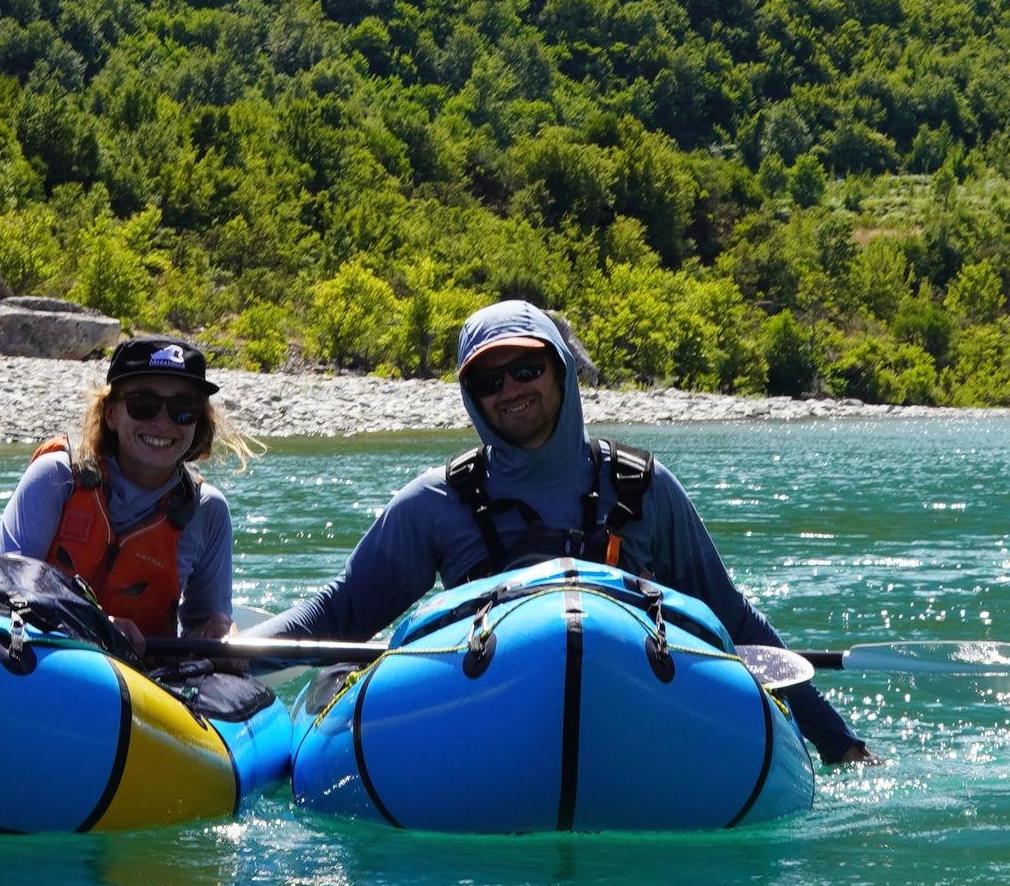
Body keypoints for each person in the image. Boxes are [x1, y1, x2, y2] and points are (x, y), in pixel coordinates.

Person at [256, 298, 875, 764]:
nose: (510, 390)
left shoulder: (644, 487)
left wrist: (835, 741)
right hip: (482, 722)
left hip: (638, 712)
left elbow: (733, 621)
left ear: (560, 370)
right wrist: (223, 658)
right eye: (489, 381)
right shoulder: (435, 502)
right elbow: (339, 612)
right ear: (472, 397)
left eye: (526, 368)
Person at [0, 336, 254, 647]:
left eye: (183, 409)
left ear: (198, 422)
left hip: (146, 673)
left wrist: (218, 631)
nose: (162, 423)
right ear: (111, 415)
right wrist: (97, 627)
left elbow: (202, 630)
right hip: (46, 659)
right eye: (143, 405)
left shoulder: (207, 510)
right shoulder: (55, 477)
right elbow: (5, 594)